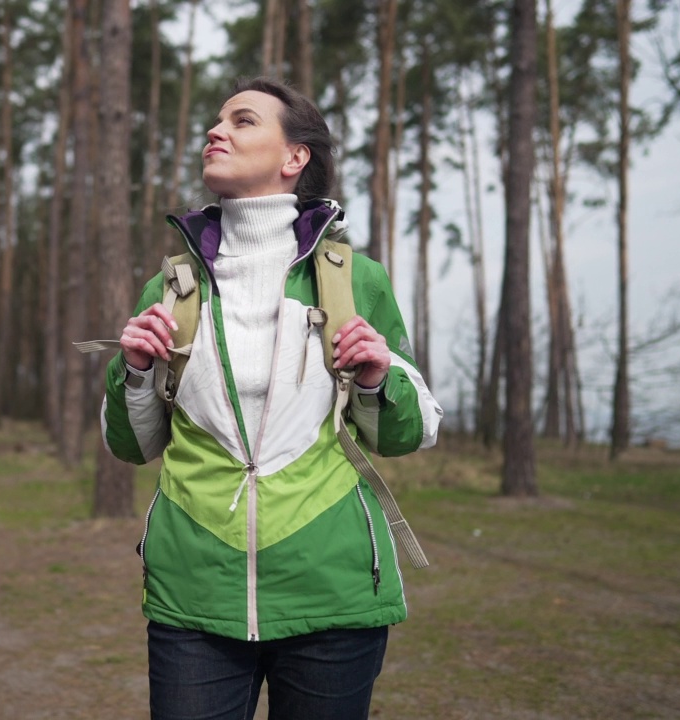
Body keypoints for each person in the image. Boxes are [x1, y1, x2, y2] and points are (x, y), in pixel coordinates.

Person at [100, 77, 444, 720]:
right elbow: (133, 444)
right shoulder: (170, 285)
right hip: (193, 591)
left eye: (243, 120)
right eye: (215, 121)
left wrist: (374, 379)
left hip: (332, 591)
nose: (215, 131)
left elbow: (404, 436)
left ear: (295, 158)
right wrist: (138, 372)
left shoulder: (355, 280)